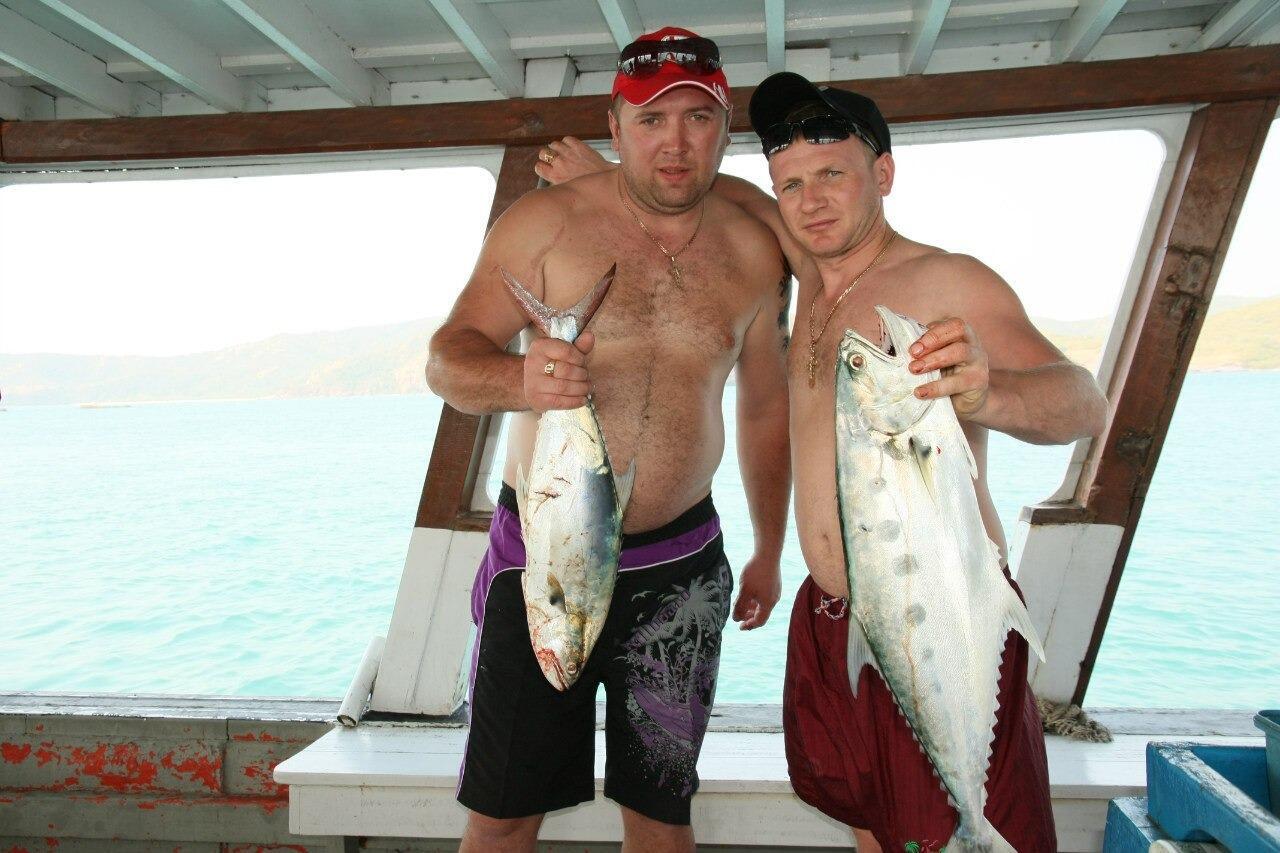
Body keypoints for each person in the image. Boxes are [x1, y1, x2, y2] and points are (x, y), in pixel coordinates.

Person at [542, 73, 1107, 851]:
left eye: (834, 174)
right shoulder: (808, 273)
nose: (810, 201)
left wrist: (989, 393)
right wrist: (614, 184)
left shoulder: (944, 279)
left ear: (884, 173)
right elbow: (725, 198)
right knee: (869, 821)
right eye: (793, 184)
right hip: (832, 614)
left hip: (941, 613)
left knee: (974, 830)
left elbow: (1083, 403)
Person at [425, 27, 792, 853]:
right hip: (543, 563)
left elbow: (767, 410)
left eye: (697, 118)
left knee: (662, 819)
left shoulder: (753, 249)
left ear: (724, 128)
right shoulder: (544, 224)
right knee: (503, 815)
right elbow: (449, 360)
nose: (675, 143)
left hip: (679, 570)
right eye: (652, 120)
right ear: (615, 126)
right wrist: (520, 380)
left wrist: (771, 549)